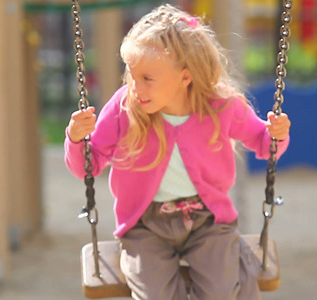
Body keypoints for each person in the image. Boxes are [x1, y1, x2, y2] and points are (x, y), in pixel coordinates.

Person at [65, 4, 291, 300]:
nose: (135, 87)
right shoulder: (124, 109)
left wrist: (276, 134)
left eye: (147, 78)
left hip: (208, 221)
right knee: (155, 295)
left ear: (185, 77)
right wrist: (76, 138)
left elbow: (264, 144)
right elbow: (88, 166)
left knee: (222, 292)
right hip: (144, 226)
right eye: (132, 76)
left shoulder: (222, 106)